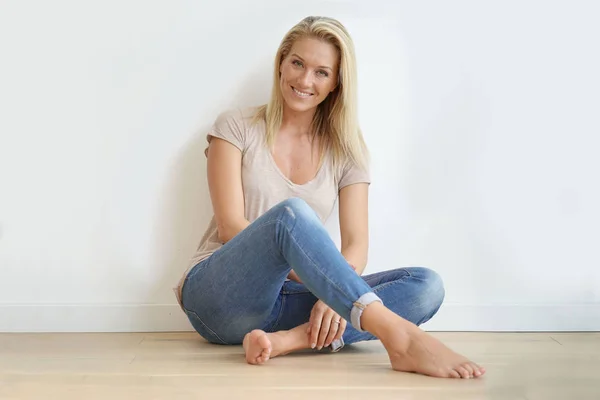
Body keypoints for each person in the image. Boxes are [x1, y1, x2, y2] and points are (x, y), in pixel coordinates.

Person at [174, 16, 485, 379]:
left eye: (322, 72)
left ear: (337, 82)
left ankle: (289, 341)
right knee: (291, 215)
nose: (305, 80)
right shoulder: (236, 127)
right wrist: (330, 285)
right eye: (297, 63)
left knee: (426, 286)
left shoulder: (347, 153)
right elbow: (230, 228)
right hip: (221, 298)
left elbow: (356, 246)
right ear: (281, 64)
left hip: (287, 303)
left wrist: (335, 296)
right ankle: (398, 336)